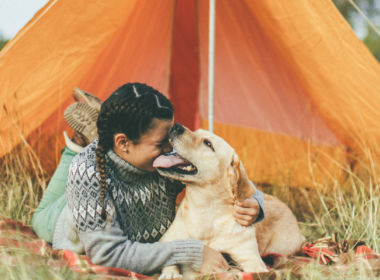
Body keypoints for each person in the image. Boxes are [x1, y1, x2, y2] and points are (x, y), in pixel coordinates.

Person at [32, 83, 265, 275]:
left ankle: (102, 133)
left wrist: (255, 202)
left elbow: (226, 178)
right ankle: (81, 143)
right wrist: (190, 251)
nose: (170, 148)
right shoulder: (88, 173)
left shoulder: (165, 162)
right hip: (74, 208)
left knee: (114, 164)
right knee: (41, 220)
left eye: (169, 137)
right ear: (124, 143)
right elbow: (107, 254)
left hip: (120, 161)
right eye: (160, 143)